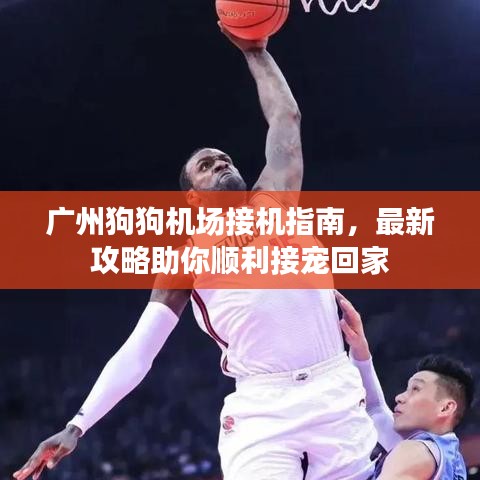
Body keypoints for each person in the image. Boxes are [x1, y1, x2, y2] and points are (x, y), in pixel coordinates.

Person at [13, 25, 377, 480]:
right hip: (264, 410)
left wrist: (256, 51)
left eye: (226, 159)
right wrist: (77, 424)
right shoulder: (185, 258)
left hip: (334, 389)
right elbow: (139, 351)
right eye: (207, 165)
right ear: (192, 196)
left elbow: (286, 118)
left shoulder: (275, 197)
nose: (222, 163)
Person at [335, 290, 475, 480]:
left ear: (445, 407)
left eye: (416, 389)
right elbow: (374, 406)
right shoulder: (448, 459)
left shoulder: (415, 452)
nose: (399, 397)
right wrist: (359, 347)